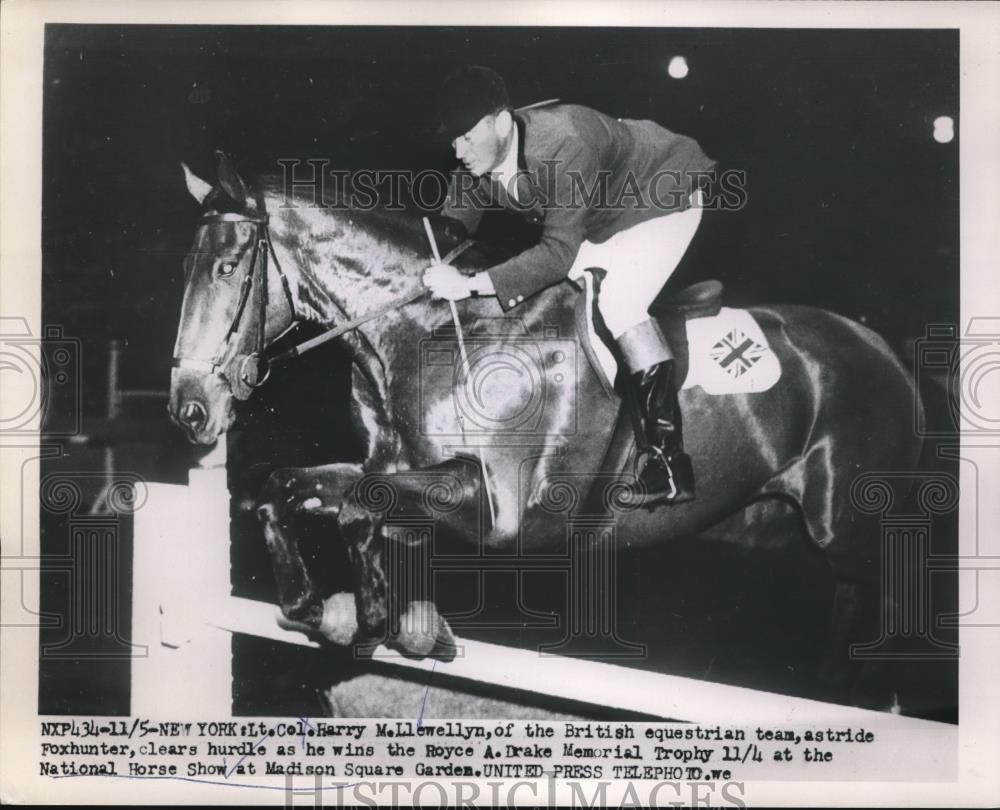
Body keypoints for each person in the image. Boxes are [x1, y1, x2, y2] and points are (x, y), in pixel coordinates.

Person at [423, 65, 716, 503]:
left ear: (502, 122)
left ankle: (669, 464)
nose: (458, 150)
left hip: (662, 193)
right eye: (453, 139)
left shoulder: (563, 141)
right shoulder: (480, 153)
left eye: (466, 137)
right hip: (604, 215)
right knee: (560, 294)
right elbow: (453, 223)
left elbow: (558, 252)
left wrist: (467, 285)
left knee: (618, 304)